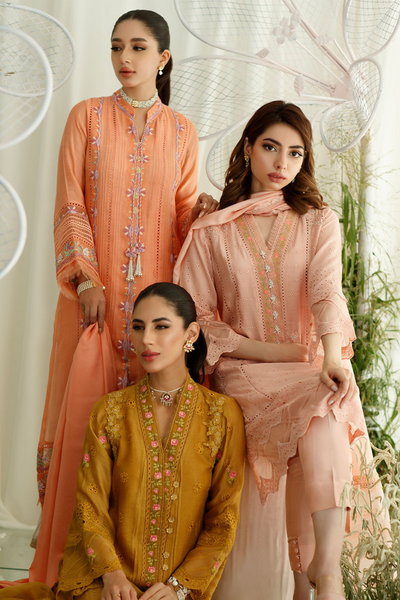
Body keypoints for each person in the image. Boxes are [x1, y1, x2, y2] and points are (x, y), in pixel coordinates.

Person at [174, 101, 368, 600]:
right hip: (242, 371)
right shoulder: (212, 229)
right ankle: (314, 579)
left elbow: (326, 292)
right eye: (270, 147)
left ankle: (323, 572)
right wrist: (275, 353)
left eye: (296, 153)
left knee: (326, 400)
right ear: (247, 148)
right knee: (318, 406)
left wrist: (331, 358)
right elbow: (201, 318)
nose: (282, 163)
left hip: (308, 368)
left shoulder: (317, 221)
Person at [37, 8, 217, 509]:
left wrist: (202, 213)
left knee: (147, 416)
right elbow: (70, 201)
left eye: (138, 47)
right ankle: (75, 534)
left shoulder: (182, 131)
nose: (124, 57)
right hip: (93, 298)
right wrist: (85, 278)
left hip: (153, 305)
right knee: (84, 407)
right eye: (117, 47)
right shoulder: (87, 116)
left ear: (163, 58)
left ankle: (138, 533)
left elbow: (180, 219)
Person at [52, 282, 245, 600]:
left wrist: (178, 588)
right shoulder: (110, 411)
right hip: (105, 583)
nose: (146, 340)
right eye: (139, 327)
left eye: (161, 326)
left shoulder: (222, 415)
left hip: (180, 590)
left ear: (191, 333)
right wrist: (112, 576)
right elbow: (90, 506)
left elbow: (223, 518)